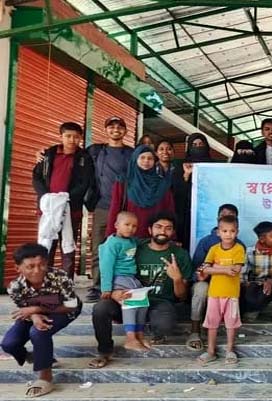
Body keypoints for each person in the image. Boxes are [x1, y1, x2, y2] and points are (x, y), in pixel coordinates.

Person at [88, 212, 193, 369]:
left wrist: (177, 278)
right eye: (158, 227)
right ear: (149, 230)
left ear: (173, 232)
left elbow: (182, 296)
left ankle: (141, 334)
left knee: (164, 325)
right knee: (100, 309)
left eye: (168, 228)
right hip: (126, 295)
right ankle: (105, 351)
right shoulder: (135, 246)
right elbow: (108, 262)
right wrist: (113, 292)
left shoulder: (180, 254)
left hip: (159, 302)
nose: (163, 231)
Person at [2, 243, 81, 398]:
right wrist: (34, 315)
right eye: (30, 266)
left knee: (38, 331)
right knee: (9, 344)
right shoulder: (15, 287)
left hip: (64, 310)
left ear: (47, 263)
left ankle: (46, 377)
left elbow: (71, 306)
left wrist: (36, 309)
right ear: (18, 268)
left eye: (42, 265)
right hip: (32, 312)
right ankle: (36, 356)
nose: (37, 270)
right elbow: (24, 308)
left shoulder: (60, 277)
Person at [32, 122, 96, 278]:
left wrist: (65, 198)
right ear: (61, 136)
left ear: (80, 138)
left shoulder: (84, 158)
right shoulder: (48, 154)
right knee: (47, 247)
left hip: (71, 210)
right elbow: (36, 177)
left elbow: (85, 183)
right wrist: (46, 196)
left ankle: (66, 283)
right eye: (68, 136)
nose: (72, 140)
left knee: (68, 249)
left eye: (76, 137)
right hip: (48, 210)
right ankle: (45, 282)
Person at [85, 116, 134, 303]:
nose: (116, 129)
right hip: (102, 206)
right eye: (111, 126)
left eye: (120, 127)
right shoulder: (95, 151)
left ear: (125, 131)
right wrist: (44, 154)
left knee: (126, 248)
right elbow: (73, 157)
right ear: (106, 130)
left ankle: (122, 284)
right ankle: (97, 286)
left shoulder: (131, 153)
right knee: (99, 247)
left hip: (125, 208)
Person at [188, 204, 244, 351]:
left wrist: (213, 269)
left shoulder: (239, 246)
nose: (228, 234)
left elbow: (235, 271)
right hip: (209, 285)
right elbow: (200, 269)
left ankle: (229, 349)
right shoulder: (207, 243)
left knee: (231, 319)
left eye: (231, 216)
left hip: (230, 289)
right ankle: (195, 332)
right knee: (201, 290)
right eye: (223, 216)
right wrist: (223, 269)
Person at [98, 211, 150, 351]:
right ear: (116, 225)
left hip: (131, 278)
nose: (130, 228)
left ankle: (139, 335)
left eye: (134, 226)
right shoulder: (111, 244)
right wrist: (106, 288)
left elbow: (143, 241)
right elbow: (106, 267)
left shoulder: (131, 241)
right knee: (130, 303)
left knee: (143, 303)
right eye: (127, 224)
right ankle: (130, 338)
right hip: (119, 278)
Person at [106, 145, 174, 238]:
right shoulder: (124, 181)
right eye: (142, 157)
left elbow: (169, 211)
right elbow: (115, 208)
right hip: (128, 236)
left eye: (150, 158)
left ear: (154, 161)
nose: (146, 161)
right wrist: (111, 235)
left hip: (155, 237)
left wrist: (171, 237)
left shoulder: (162, 183)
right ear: (135, 159)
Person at [242, 221, 272, 323]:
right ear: (262, 239)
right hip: (259, 283)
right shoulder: (250, 251)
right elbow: (243, 273)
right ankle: (254, 309)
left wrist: (271, 281)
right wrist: (247, 284)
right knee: (250, 293)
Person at [173, 132, 215, 249]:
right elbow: (177, 190)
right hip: (186, 210)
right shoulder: (181, 165)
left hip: (208, 208)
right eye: (194, 145)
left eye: (201, 144)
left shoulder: (214, 165)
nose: (198, 147)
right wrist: (187, 174)